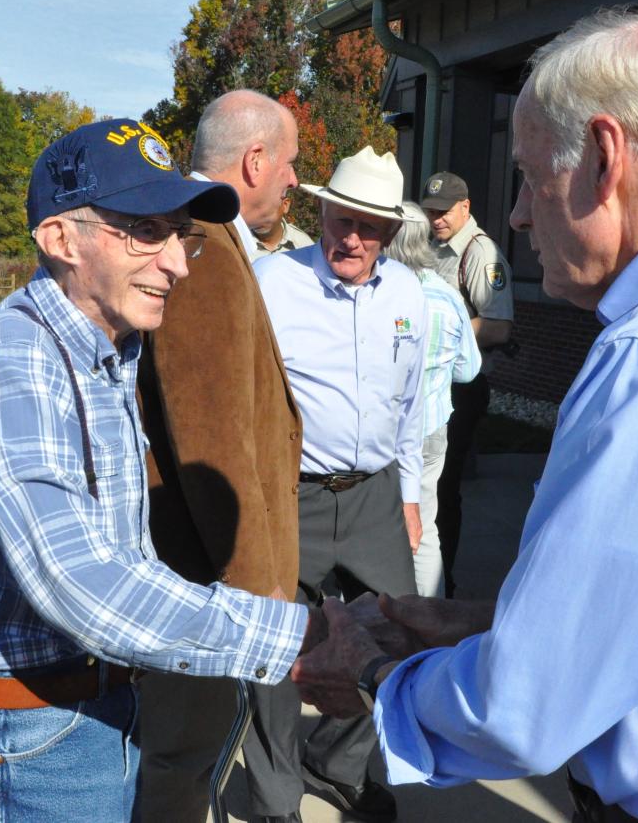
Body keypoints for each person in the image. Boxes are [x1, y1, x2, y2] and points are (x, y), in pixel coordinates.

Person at [291, 8, 638, 823]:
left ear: (602, 156)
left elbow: (523, 709)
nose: (518, 215)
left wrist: (377, 676)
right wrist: (487, 623)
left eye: (527, 175)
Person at [0, 118, 322, 822]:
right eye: (145, 231)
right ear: (59, 238)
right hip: (31, 739)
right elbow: (81, 580)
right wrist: (287, 636)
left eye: (179, 233)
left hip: (89, 709)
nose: (179, 263)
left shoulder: (107, 354)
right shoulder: (15, 361)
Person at [135, 91, 305, 822]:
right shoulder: (203, 248)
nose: (295, 181)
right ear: (255, 160)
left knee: (193, 755)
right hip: (203, 586)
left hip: (206, 582)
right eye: (291, 163)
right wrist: (262, 600)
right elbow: (214, 446)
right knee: (179, 762)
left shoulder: (212, 242)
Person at [254, 146, 428, 822]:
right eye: (337, 218)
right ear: (320, 211)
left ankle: (333, 761)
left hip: (375, 497)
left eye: (365, 225)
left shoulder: (410, 294)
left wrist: (410, 497)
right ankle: (273, 798)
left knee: (395, 633)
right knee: (276, 646)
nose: (347, 236)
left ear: (389, 231)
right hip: (290, 495)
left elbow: (412, 405)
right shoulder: (273, 283)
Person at [421, 170, 514, 597]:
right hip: (434, 382)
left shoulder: (481, 253)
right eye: (430, 211)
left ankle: (445, 585)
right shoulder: (432, 247)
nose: (436, 219)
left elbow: (497, 328)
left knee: (441, 492)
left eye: (443, 212)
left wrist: (439, 328)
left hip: (462, 385)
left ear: (466, 207)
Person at [384, 201, 481, 597]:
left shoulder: (381, 293)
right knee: (424, 525)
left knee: (371, 526)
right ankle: (427, 616)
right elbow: (469, 369)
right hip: (430, 430)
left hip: (384, 432)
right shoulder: (447, 296)